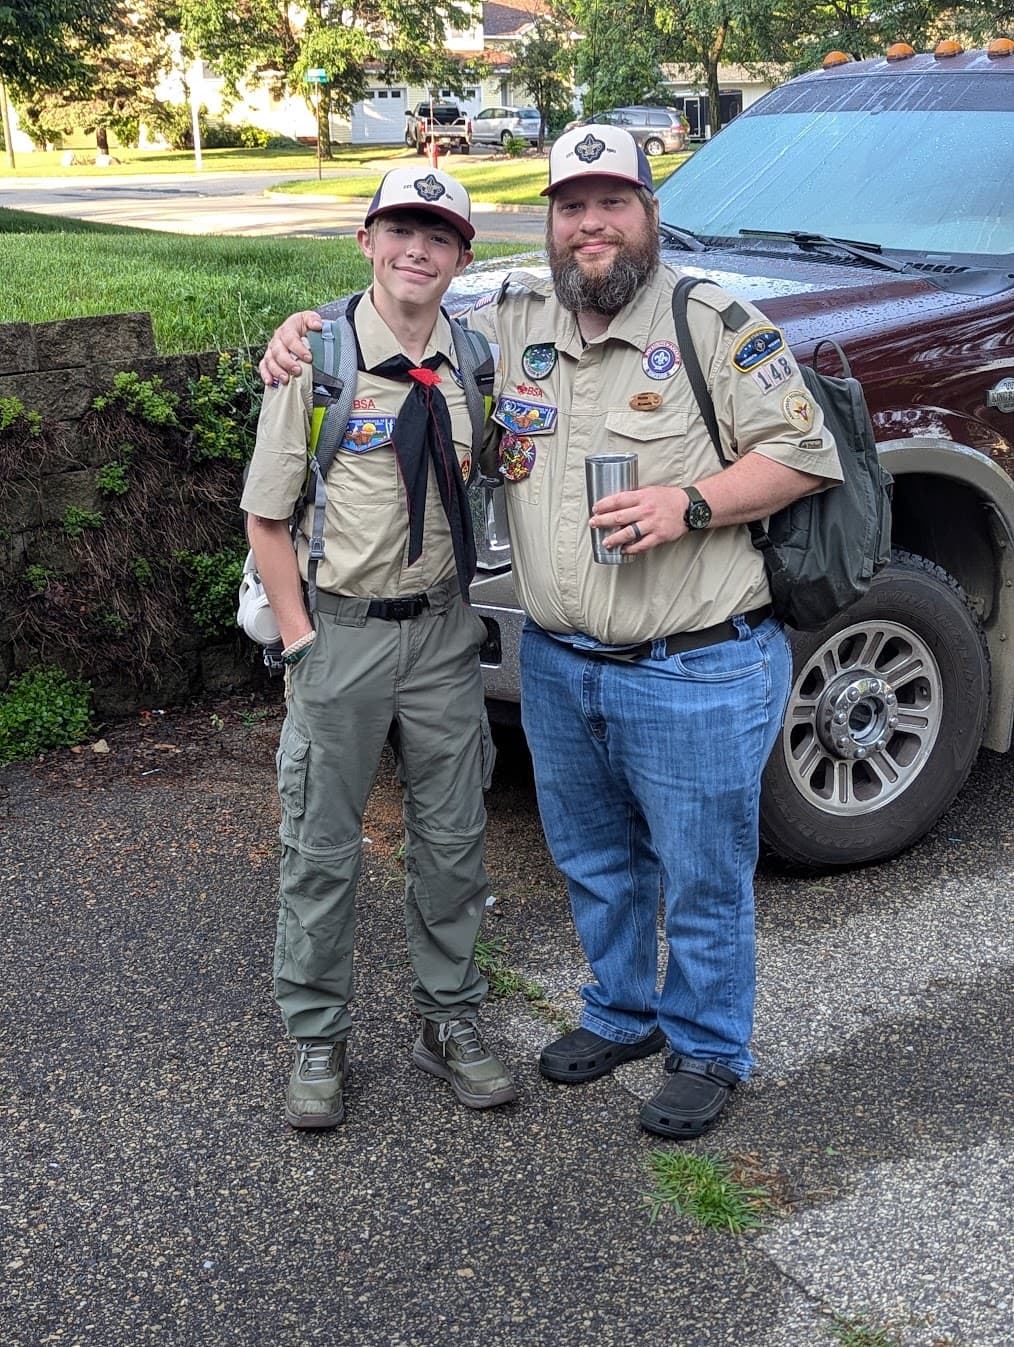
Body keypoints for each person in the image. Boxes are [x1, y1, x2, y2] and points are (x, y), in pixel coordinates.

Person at [259, 127, 843, 1140]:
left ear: (650, 216)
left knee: (701, 874)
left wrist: (691, 504)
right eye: (573, 207)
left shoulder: (713, 322)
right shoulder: (512, 321)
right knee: (595, 863)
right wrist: (301, 329)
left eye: (613, 203)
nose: (592, 225)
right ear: (550, 223)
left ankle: (707, 1048)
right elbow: (403, 306)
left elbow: (804, 454)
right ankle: (621, 1013)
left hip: (690, 663)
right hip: (562, 663)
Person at [243, 165, 516, 1129]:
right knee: (321, 847)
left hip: (443, 632)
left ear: (461, 257)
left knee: (455, 842)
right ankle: (317, 1036)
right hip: (343, 635)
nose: (417, 249)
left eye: (438, 236)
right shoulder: (316, 357)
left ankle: (449, 1018)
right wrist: (305, 642)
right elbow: (267, 519)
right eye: (400, 229)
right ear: (366, 240)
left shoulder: (476, 362)